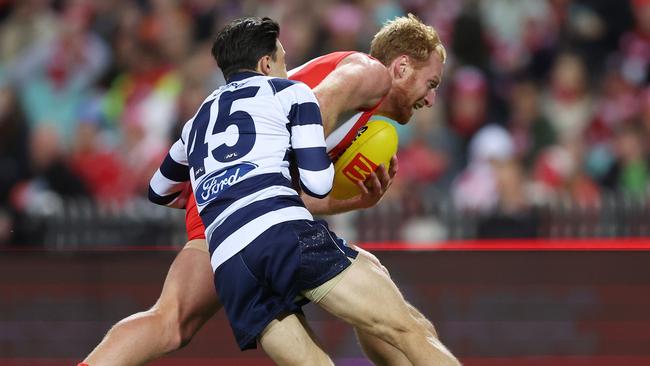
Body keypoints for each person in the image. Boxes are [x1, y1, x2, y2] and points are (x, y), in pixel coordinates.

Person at [81, 13, 453, 366]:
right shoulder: (369, 73)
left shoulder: (209, 112)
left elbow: (284, 184)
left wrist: (353, 201)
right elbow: (310, 119)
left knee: (170, 322)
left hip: (218, 200)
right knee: (393, 315)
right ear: (401, 67)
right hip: (260, 205)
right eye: (431, 83)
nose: (431, 99)